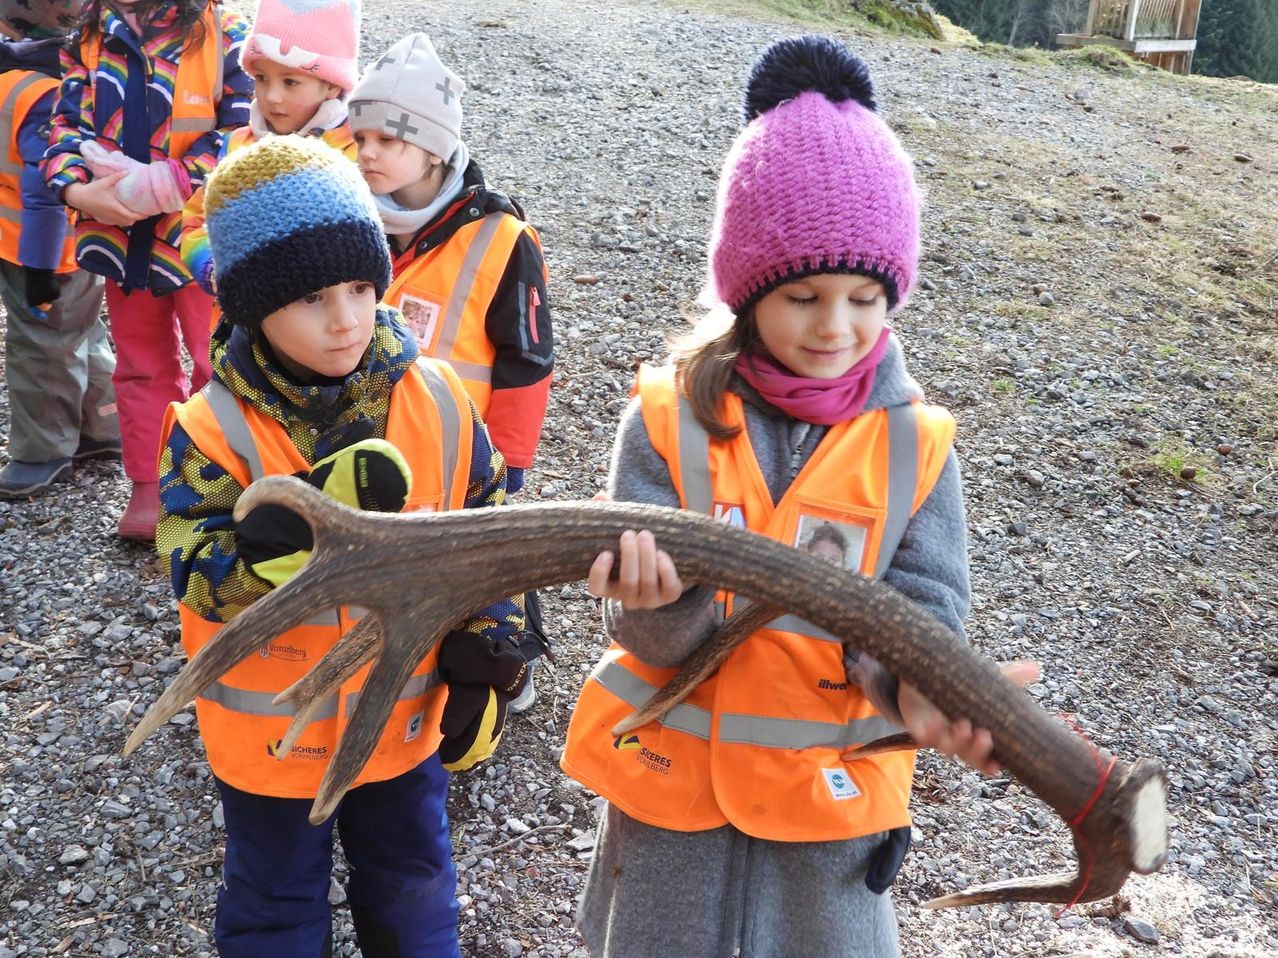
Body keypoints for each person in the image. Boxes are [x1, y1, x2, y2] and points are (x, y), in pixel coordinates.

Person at [559, 37, 1039, 957]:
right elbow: (642, 631)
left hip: (827, 828)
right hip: (674, 825)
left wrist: (922, 691)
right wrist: (665, 607)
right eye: (806, 294)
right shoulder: (664, 421)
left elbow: (926, 614)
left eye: (866, 296)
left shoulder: (915, 448)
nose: (836, 325)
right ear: (748, 291)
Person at [154, 135, 529, 957]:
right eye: (314, 297)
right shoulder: (211, 432)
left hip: (401, 722)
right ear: (253, 304)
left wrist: (489, 635)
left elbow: (492, 524)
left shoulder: (438, 401)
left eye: (363, 285)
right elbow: (187, 561)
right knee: (275, 900)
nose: (347, 318)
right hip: (273, 741)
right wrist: (280, 553)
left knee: (414, 884)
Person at [348, 33, 555, 710]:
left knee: (489, 558)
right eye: (362, 136)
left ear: (433, 149)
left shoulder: (501, 238)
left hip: (471, 447)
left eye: (389, 139)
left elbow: (528, 360)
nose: (368, 152)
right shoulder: (351, 217)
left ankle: (509, 655)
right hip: (376, 436)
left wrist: (512, 458)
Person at [41, 0, 251, 540]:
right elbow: (63, 124)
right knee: (138, 366)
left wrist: (165, 185)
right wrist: (78, 188)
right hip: (120, 239)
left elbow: (242, 129)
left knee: (218, 360)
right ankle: (151, 485)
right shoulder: (89, 35)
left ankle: (229, 481)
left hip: (201, 237)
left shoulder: (224, 34)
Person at [0, 0, 119, 498]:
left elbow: (44, 190)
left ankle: (43, 452)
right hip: (79, 242)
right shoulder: (74, 79)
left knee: (41, 344)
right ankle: (102, 426)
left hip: (42, 253)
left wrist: (41, 268)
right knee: (79, 332)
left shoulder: (33, 93)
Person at [181, 0, 360, 298]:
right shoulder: (237, 147)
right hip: (244, 327)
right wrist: (214, 268)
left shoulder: (354, 154)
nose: (272, 96)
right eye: (261, 78)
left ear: (332, 84)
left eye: (290, 82)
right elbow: (197, 218)